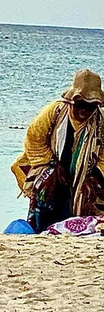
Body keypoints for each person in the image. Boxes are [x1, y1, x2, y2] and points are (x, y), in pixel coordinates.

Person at [11, 69, 104, 233]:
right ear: (71, 102)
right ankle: (40, 229)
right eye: (80, 105)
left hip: (83, 175)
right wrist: (51, 165)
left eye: (90, 107)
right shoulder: (55, 112)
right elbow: (34, 138)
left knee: (88, 196)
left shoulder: (100, 123)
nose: (84, 111)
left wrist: (95, 176)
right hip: (49, 166)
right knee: (48, 186)